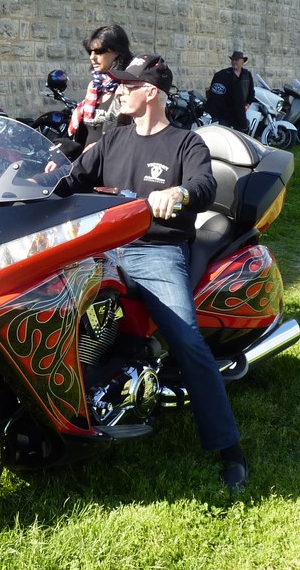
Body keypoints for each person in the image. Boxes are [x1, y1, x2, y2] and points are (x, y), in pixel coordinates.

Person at [56, 54, 249, 492]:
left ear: (152, 92)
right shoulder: (112, 141)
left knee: (186, 338)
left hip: (155, 250)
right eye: (118, 83)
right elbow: (72, 180)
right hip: (101, 247)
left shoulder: (186, 143)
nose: (119, 89)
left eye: (128, 84)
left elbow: (203, 185)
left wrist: (179, 192)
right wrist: (35, 182)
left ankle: (229, 450)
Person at [67, 24, 134, 147]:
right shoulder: (95, 86)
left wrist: (99, 149)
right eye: (90, 52)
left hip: (111, 161)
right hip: (87, 162)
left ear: (117, 52)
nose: (92, 57)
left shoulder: (128, 88)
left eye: (99, 51)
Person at [205, 51, 255, 132]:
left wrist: (247, 104)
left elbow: (251, 92)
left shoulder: (247, 75)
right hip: (226, 112)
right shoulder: (224, 75)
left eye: (237, 60)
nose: (234, 62)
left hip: (240, 111)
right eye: (233, 60)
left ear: (242, 61)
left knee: (239, 135)